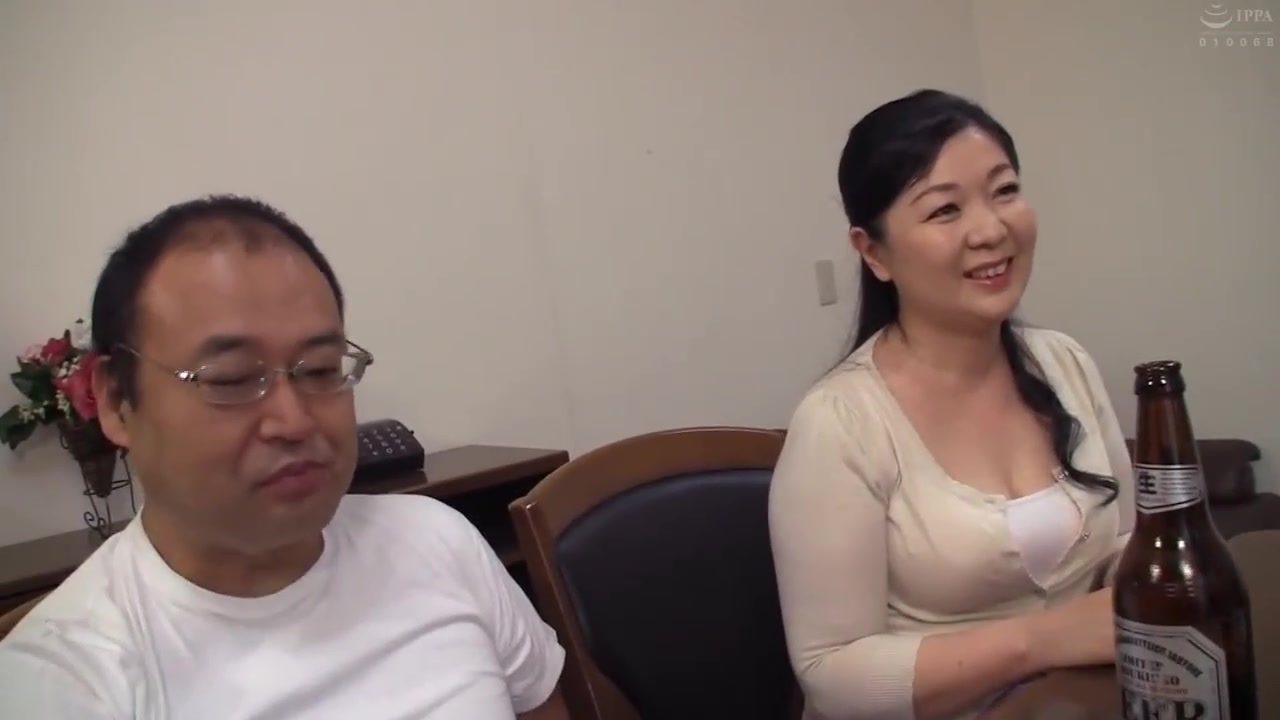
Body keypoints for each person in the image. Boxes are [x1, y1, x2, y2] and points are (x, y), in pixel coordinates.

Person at [0, 196, 569, 720]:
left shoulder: (436, 541)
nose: (295, 421)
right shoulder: (65, 682)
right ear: (115, 401)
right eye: (231, 379)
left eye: (319, 370)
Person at [768, 90, 1136, 720]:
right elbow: (831, 673)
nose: (991, 230)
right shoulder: (840, 423)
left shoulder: (1064, 363)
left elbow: (1125, 538)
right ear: (874, 252)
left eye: (1005, 190)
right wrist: (1044, 640)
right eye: (944, 210)